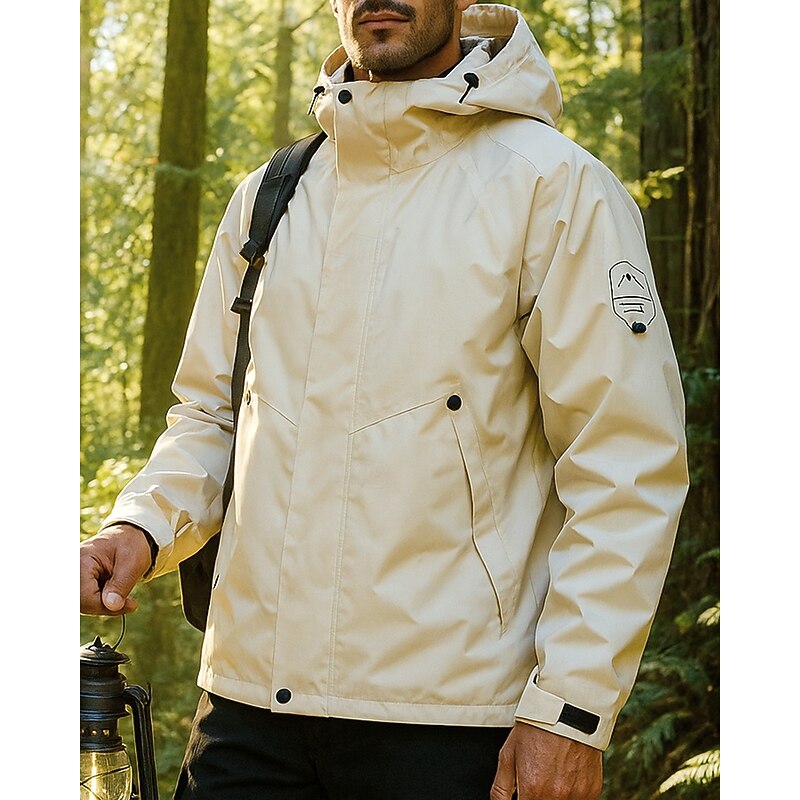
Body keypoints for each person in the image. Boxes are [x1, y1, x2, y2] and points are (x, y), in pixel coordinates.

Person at [80, 1, 689, 798]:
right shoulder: (269, 197)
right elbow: (213, 417)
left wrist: (570, 711)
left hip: (452, 729)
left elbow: (625, 465)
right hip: (246, 717)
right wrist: (140, 526)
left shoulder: (556, 188)